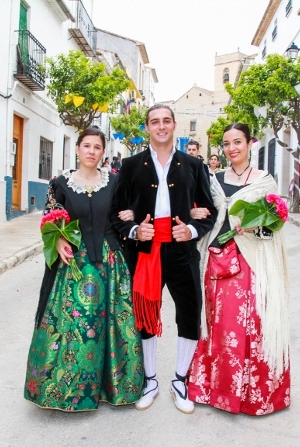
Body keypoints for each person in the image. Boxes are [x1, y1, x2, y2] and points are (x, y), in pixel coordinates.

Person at [24, 127, 144, 412]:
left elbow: (128, 211)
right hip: (74, 265)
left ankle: (113, 387)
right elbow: (50, 219)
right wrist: (60, 239)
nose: (92, 151)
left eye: (97, 147)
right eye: (87, 146)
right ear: (78, 149)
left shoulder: (115, 181)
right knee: (72, 326)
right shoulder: (60, 184)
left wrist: (133, 214)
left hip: (110, 262)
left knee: (114, 325)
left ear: (103, 152)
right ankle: (66, 391)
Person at [111, 104, 217, 414]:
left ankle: (180, 380)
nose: (161, 126)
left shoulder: (193, 165)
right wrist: (134, 230)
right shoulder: (130, 165)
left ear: (174, 125)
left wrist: (192, 230)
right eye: (155, 121)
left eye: (166, 121)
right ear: (147, 127)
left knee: (189, 312)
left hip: (182, 250)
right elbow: (116, 213)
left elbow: (209, 212)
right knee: (145, 315)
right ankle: (150, 380)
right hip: (144, 251)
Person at [187, 123, 291, 416]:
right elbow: (205, 215)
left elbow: (273, 228)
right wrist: (194, 213)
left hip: (251, 261)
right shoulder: (215, 180)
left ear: (249, 144)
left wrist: (255, 227)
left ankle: (253, 396)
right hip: (215, 260)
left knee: (251, 326)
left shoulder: (264, 181)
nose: (232, 148)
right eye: (227, 143)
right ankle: (216, 389)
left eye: (237, 142)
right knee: (218, 325)